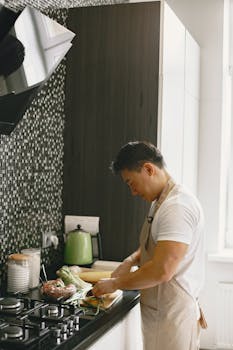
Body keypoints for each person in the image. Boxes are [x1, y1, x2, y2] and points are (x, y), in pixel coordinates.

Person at [92, 140, 207, 350]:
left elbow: (162, 270)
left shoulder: (177, 207)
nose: (133, 192)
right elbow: (156, 247)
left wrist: (115, 283)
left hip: (174, 315)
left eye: (130, 183)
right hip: (161, 312)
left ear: (148, 169)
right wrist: (131, 260)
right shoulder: (160, 203)